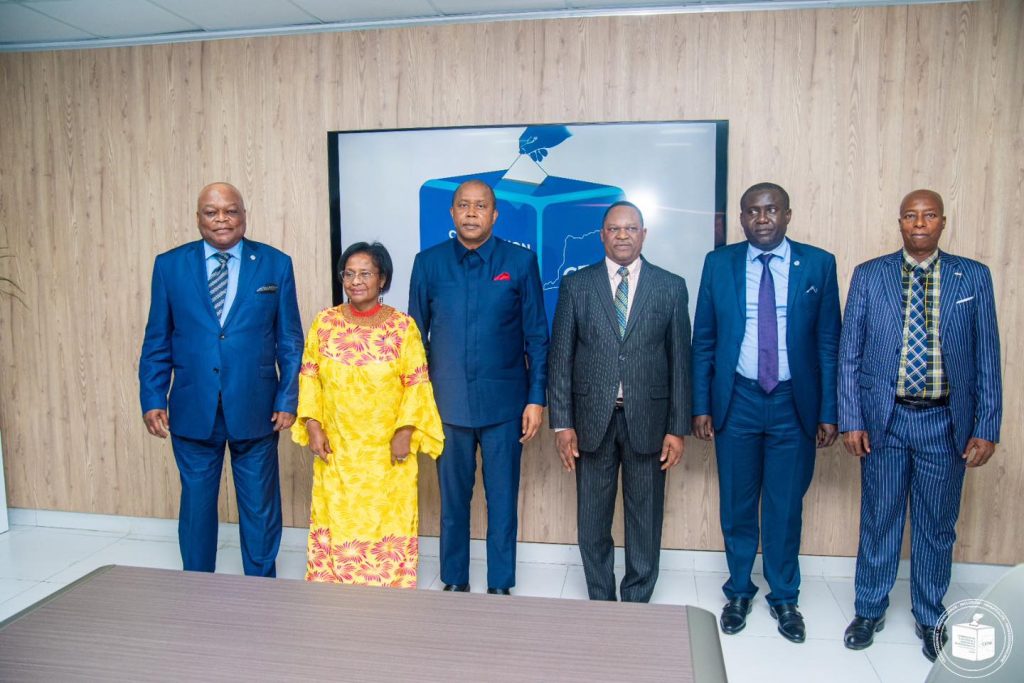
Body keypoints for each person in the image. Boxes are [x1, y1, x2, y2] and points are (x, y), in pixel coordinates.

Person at [839, 189, 1002, 662]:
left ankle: (931, 615)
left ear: (943, 223)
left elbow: (988, 357)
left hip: (945, 423)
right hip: (884, 420)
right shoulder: (870, 276)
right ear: (899, 223)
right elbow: (849, 355)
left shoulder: (972, 277)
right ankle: (869, 609)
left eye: (928, 215)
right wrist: (851, 418)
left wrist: (987, 425)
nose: (919, 223)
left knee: (936, 525)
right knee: (879, 518)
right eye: (910, 215)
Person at [691, 182, 841, 642]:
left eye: (771, 209)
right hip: (737, 401)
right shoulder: (719, 264)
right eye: (752, 211)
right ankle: (738, 590)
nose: (762, 218)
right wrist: (701, 405)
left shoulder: (818, 263)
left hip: (794, 404)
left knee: (784, 506)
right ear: (741, 219)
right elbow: (705, 342)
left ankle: (784, 597)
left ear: (788, 215)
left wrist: (829, 410)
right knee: (737, 504)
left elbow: (828, 343)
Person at [139, 182, 303, 577]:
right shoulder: (169, 265)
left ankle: (262, 583)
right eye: (212, 212)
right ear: (198, 219)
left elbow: (290, 340)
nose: (222, 220)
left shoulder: (275, 264)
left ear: (244, 216)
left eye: (231, 211)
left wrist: (287, 397)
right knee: (196, 504)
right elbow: (157, 338)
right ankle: (198, 583)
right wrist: (152, 397)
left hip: (257, 405)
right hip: (193, 406)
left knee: (260, 505)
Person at [409, 179, 548, 595]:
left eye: (480, 206)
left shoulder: (519, 263)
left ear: (494, 214)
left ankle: (501, 584)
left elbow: (537, 336)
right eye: (463, 206)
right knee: (453, 503)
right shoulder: (428, 263)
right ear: (452, 214)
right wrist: (416, 406)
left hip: (506, 406)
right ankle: (454, 581)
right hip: (447, 405)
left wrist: (535, 399)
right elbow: (414, 340)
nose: (471, 212)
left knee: (502, 502)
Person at [548, 201, 691, 603]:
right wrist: (562, 423)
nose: (623, 235)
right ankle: (600, 598)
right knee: (592, 520)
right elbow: (561, 358)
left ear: (644, 234)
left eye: (631, 228)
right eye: (614, 229)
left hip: (649, 418)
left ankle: (636, 600)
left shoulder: (670, 286)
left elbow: (681, 361)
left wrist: (677, 428)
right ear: (602, 235)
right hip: (591, 420)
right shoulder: (578, 285)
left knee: (645, 519)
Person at [291, 242, 444, 588]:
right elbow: (309, 376)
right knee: (338, 516)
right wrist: (313, 425)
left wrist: (405, 430)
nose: (356, 281)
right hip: (338, 448)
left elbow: (417, 384)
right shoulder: (324, 323)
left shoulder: (403, 328)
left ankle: (387, 588)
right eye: (349, 273)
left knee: (387, 517)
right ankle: (334, 588)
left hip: (387, 451)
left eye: (365, 274)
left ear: (382, 279)